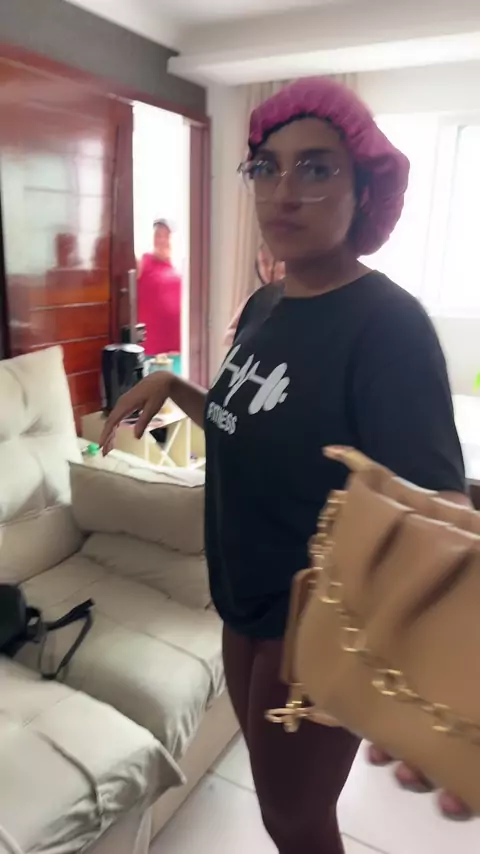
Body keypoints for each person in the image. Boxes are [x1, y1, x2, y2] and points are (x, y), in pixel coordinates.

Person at [100, 78, 470, 852]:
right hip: (241, 598)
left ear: (364, 189)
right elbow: (248, 424)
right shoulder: (267, 304)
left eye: (317, 167)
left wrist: (443, 667)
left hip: (316, 628)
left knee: (293, 820)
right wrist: (174, 388)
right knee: (282, 806)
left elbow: (442, 514)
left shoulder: (387, 326)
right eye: (266, 167)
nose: (284, 191)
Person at [137, 218, 182, 359]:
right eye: (158, 235)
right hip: (150, 353)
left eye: (166, 236)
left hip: (176, 352)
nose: (161, 240)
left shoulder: (179, 271)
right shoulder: (144, 261)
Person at [224, 243, 285, 346]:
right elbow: (228, 336)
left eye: (276, 261)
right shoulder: (256, 300)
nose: (271, 268)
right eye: (265, 263)